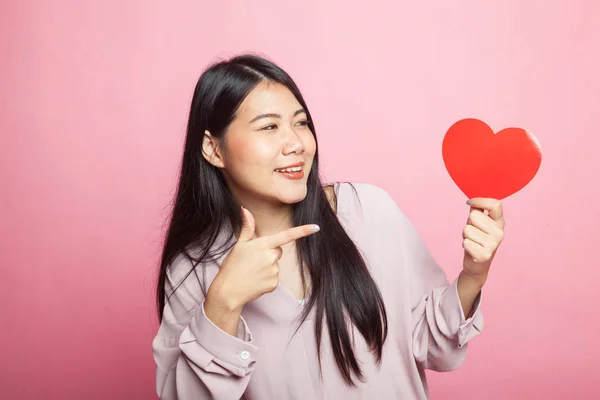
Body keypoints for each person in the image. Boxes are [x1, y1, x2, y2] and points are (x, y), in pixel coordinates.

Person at [151, 54, 505, 400]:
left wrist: (473, 276)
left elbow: (434, 348)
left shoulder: (370, 212)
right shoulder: (192, 268)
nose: (297, 144)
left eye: (301, 123)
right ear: (214, 149)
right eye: (270, 126)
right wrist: (223, 304)